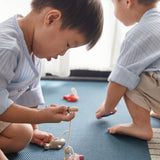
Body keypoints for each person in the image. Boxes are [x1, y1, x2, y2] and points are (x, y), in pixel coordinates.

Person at [0, 0, 103, 158]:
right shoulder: (7, 48)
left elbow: (30, 92)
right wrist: (41, 115)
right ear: (52, 18)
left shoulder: (32, 48)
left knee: (23, 135)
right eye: (68, 44)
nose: (63, 53)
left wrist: (34, 129)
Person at [96, 0, 160, 141]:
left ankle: (141, 126)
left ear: (127, 2)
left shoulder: (138, 34)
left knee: (130, 76)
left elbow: (119, 80)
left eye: (114, 4)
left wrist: (107, 107)